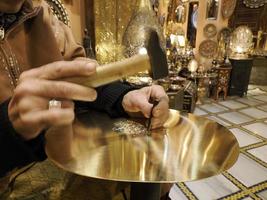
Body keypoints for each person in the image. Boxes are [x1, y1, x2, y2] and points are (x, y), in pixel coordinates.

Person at [0, 0, 170, 199]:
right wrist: (9, 126)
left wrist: (123, 96)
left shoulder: (43, 15)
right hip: (8, 176)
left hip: (59, 148)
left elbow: (80, 76)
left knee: (154, 161)